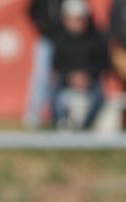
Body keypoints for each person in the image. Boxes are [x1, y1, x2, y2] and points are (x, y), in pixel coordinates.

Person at [50, 0, 108, 130]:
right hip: (66, 79)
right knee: (54, 94)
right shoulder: (59, 39)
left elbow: (102, 63)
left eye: (79, 19)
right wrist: (70, 77)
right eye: (73, 19)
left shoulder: (96, 39)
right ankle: (59, 124)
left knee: (99, 97)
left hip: (90, 79)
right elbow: (57, 64)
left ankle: (85, 128)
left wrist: (87, 76)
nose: (76, 23)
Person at [23, 0, 64, 128]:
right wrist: (41, 27)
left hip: (64, 40)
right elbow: (31, 12)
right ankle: (33, 113)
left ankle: (58, 115)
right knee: (40, 76)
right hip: (45, 39)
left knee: (60, 77)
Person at [109, 0, 126, 130]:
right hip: (125, 52)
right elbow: (113, 31)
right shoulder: (120, 3)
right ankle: (125, 126)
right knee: (124, 90)